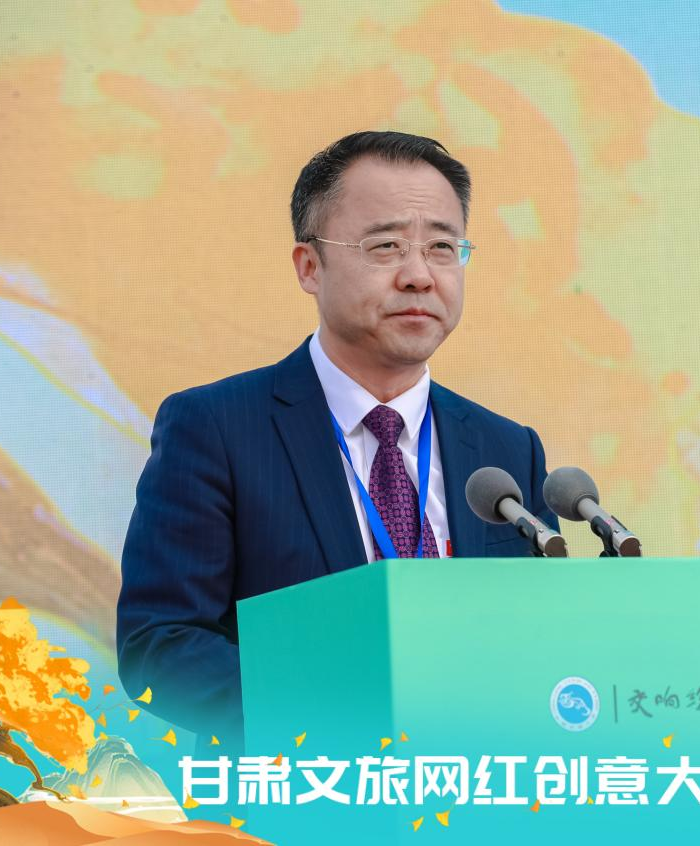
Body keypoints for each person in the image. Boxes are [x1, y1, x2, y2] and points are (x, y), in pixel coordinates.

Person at [116, 131, 558, 745]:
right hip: (300, 792)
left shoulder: (507, 450)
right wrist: (335, 719)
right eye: (386, 246)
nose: (419, 276)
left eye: (441, 247)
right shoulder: (216, 427)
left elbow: (539, 642)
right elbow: (159, 645)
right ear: (309, 266)